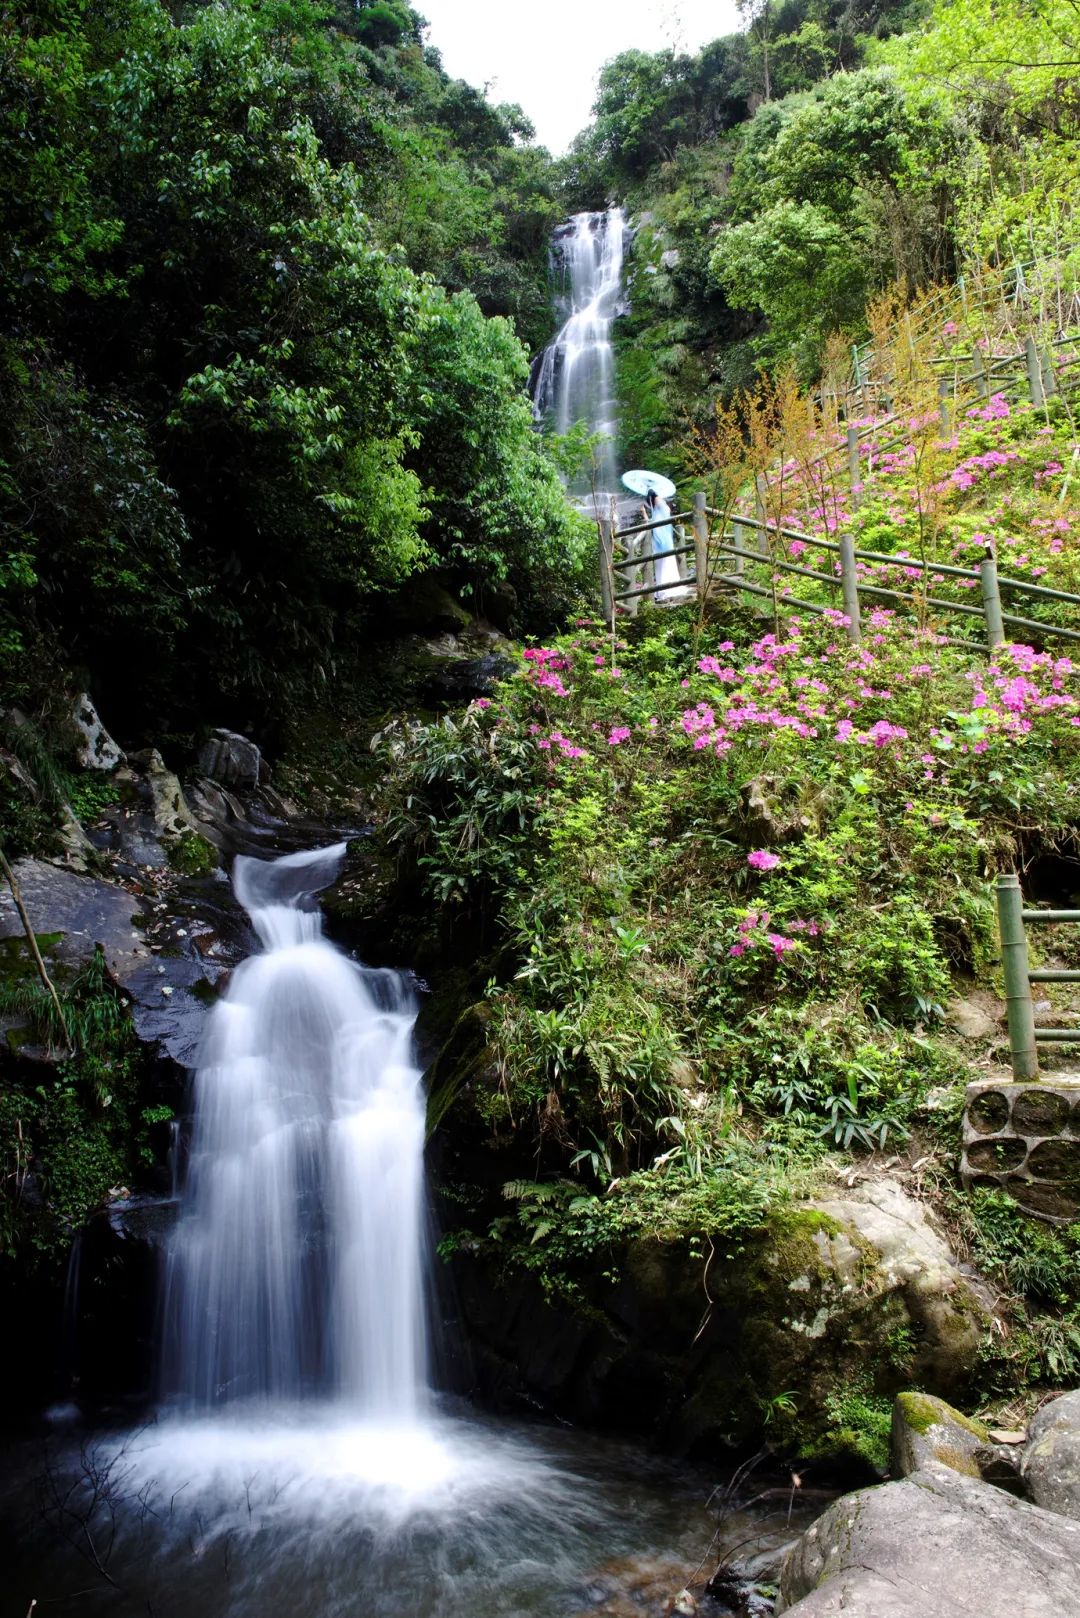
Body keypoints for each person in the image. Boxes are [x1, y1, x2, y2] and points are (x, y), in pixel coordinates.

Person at [643, 487, 681, 601]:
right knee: (660, 565)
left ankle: (666, 589)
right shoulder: (657, 511)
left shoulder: (661, 505)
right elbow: (650, 522)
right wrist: (644, 513)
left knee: (665, 563)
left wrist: (653, 494)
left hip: (663, 539)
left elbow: (659, 502)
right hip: (659, 539)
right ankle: (662, 590)